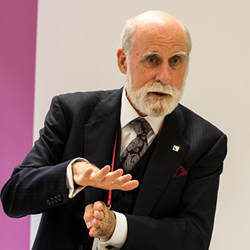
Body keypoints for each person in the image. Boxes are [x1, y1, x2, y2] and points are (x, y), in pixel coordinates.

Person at [1, 10, 227, 250]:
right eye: (152, 59)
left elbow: (195, 239)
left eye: (176, 61)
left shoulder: (205, 141)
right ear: (122, 61)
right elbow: (14, 198)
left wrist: (117, 227)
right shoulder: (71, 113)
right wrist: (71, 174)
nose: (165, 76)